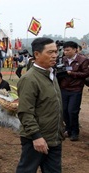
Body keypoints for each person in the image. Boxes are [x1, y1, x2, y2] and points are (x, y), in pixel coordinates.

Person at [16, 37, 64, 173]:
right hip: (36, 139)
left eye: (56, 51)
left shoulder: (51, 74)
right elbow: (25, 112)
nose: (55, 55)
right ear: (37, 54)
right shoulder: (29, 79)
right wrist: (36, 137)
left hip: (54, 138)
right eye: (50, 52)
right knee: (27, 170)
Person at [59, 41, 89, 141]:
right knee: (64, 111)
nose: (65, 52)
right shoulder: (63, 59)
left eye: (68, 50)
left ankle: (75, 132)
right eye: (64, 50)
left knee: (72, 111)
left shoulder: (83, 60)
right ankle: (68, 129)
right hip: (64, 88)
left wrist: (72, 73)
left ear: (75, 50)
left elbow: (85, 74)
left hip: (76, 89)